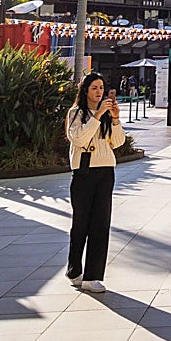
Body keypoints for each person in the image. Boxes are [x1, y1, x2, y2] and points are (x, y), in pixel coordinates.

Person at [65, 71, 125, 294]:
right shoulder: (76, 113)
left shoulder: (108, 114)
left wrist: (116, 118)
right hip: (83, 172)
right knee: (81, 223)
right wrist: (97, 116)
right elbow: (79, 138)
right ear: (85, 91)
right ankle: (74, 269)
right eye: (94, 88)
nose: (99, 92)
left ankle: (93, 276)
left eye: (101, 88)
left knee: (101, 223)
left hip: (105, 171)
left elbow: (117, 143)